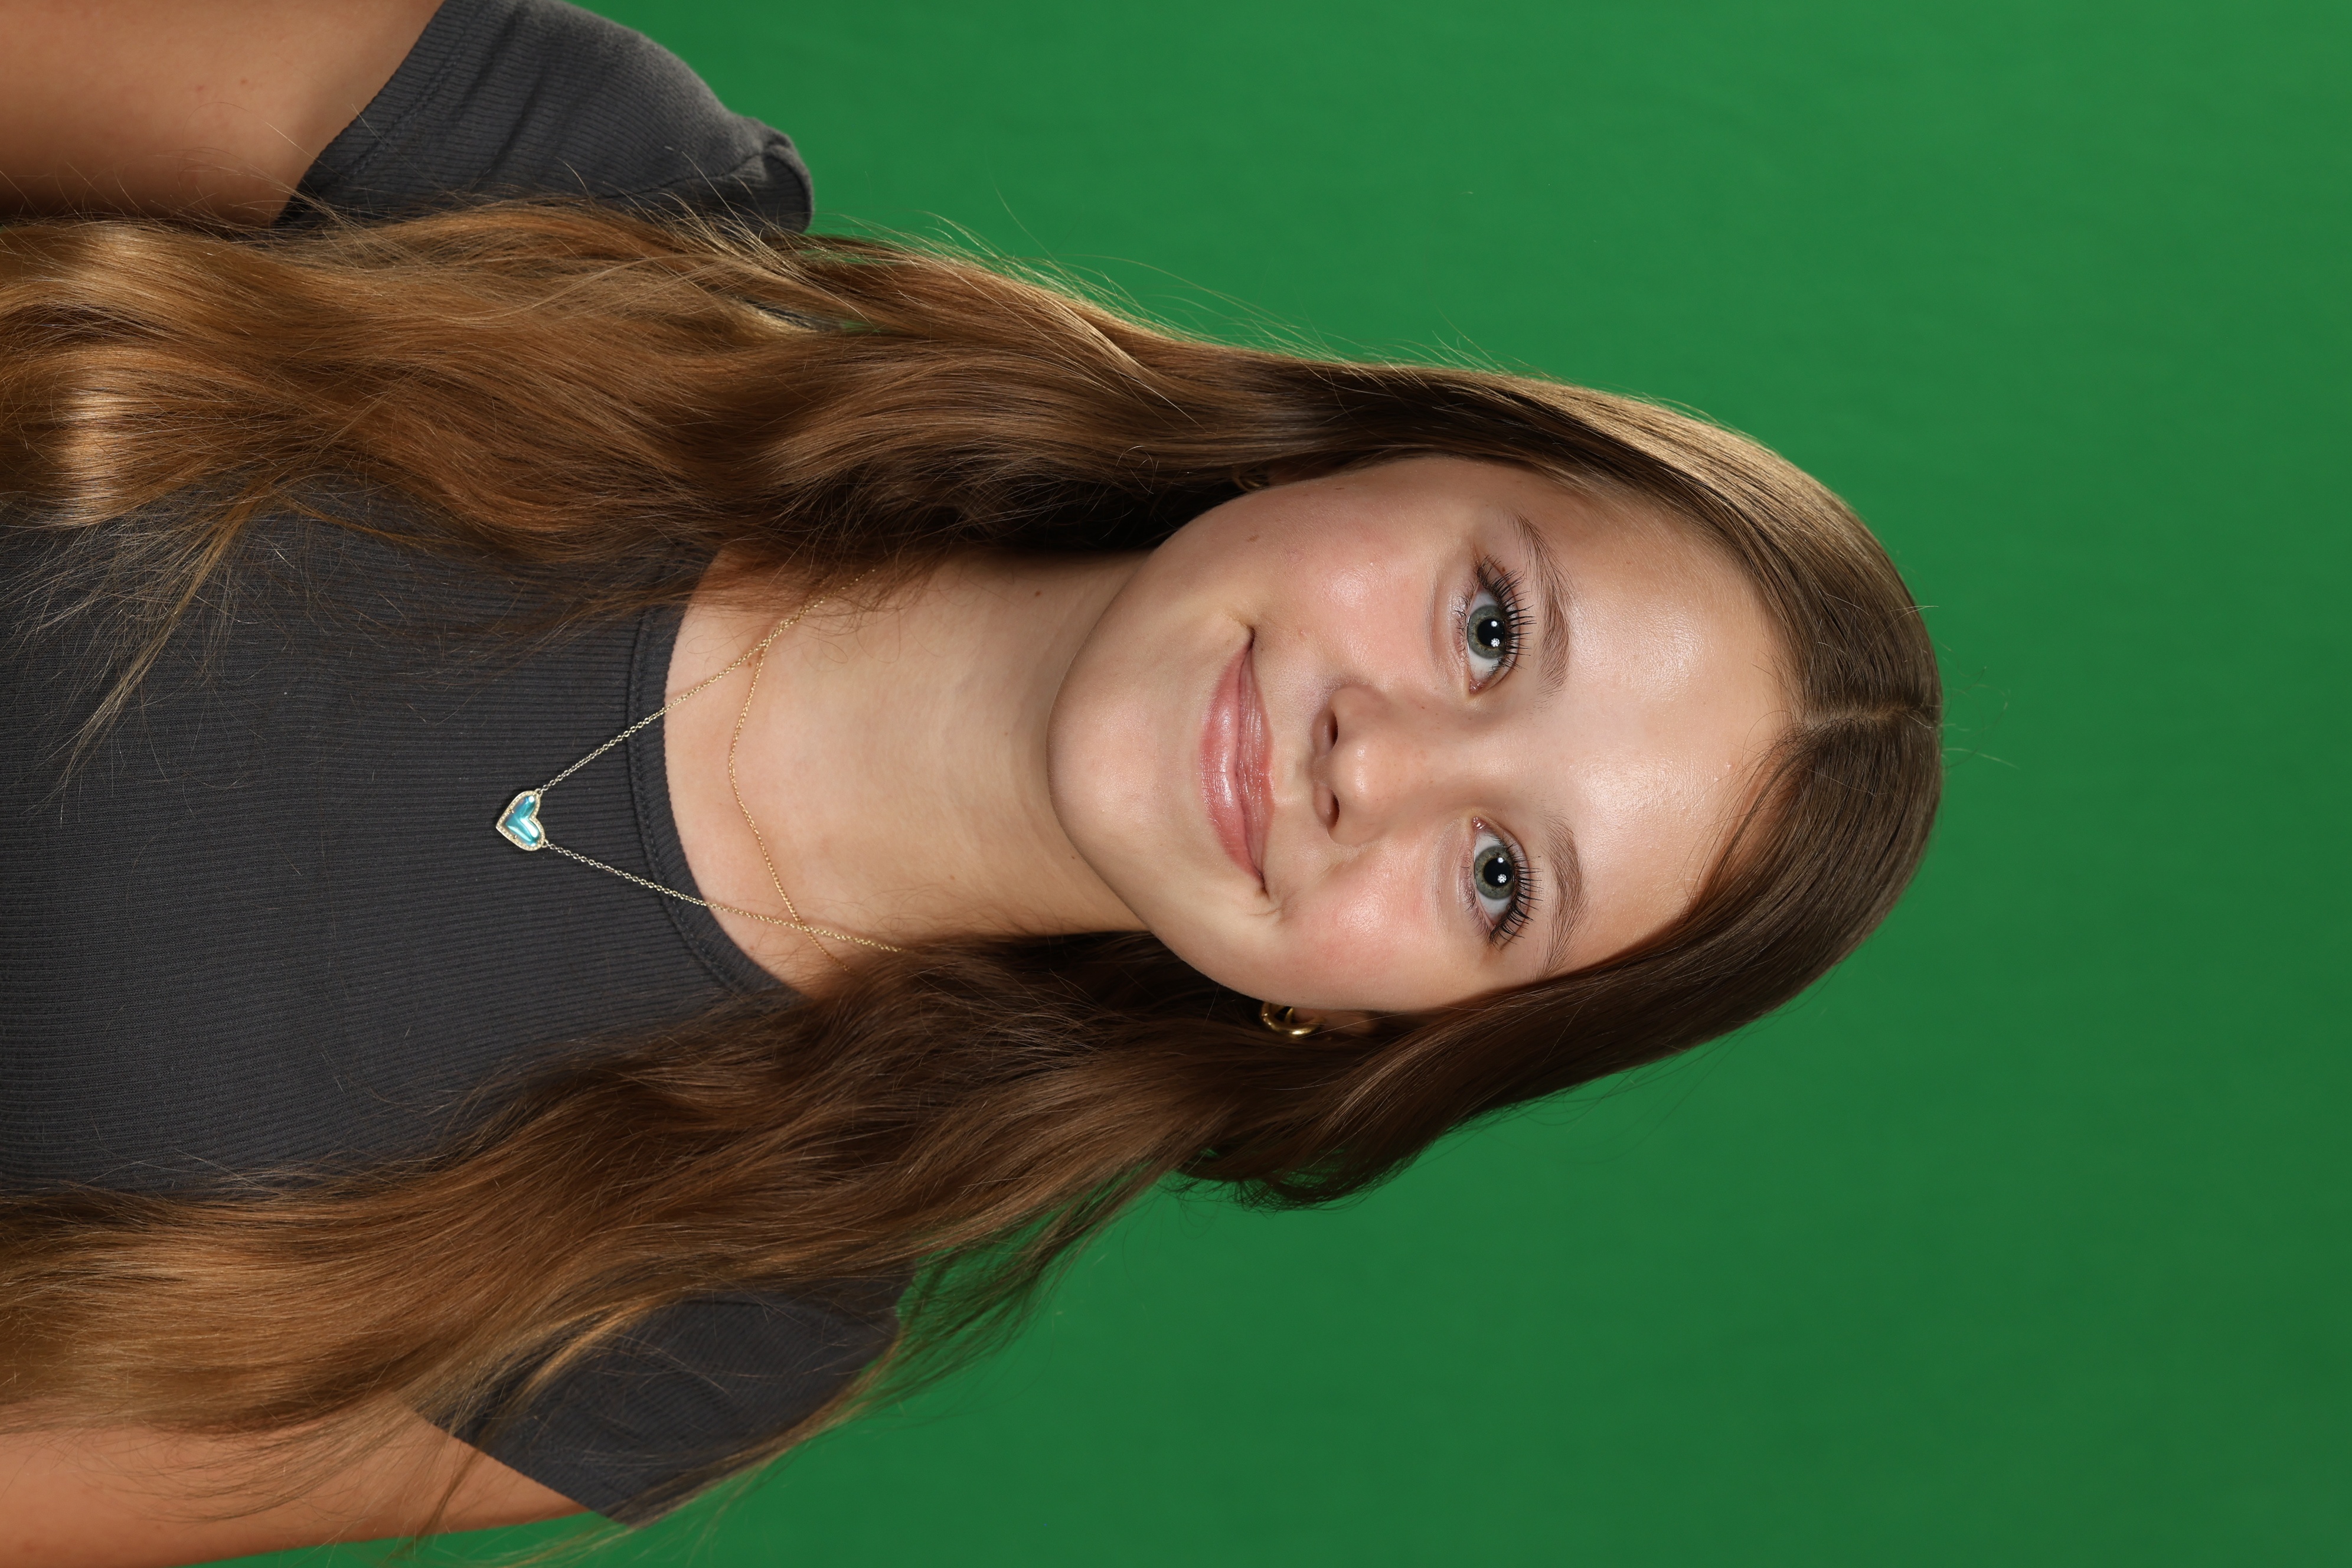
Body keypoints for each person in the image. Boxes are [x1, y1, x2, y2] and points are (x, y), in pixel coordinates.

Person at [0, 2, 1942, 1563]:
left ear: (1372, 1024)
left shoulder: (709, 1326)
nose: (1384, 761)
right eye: (1494, 628)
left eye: (1503, 878)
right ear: (1383, 451)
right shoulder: (590, 194)